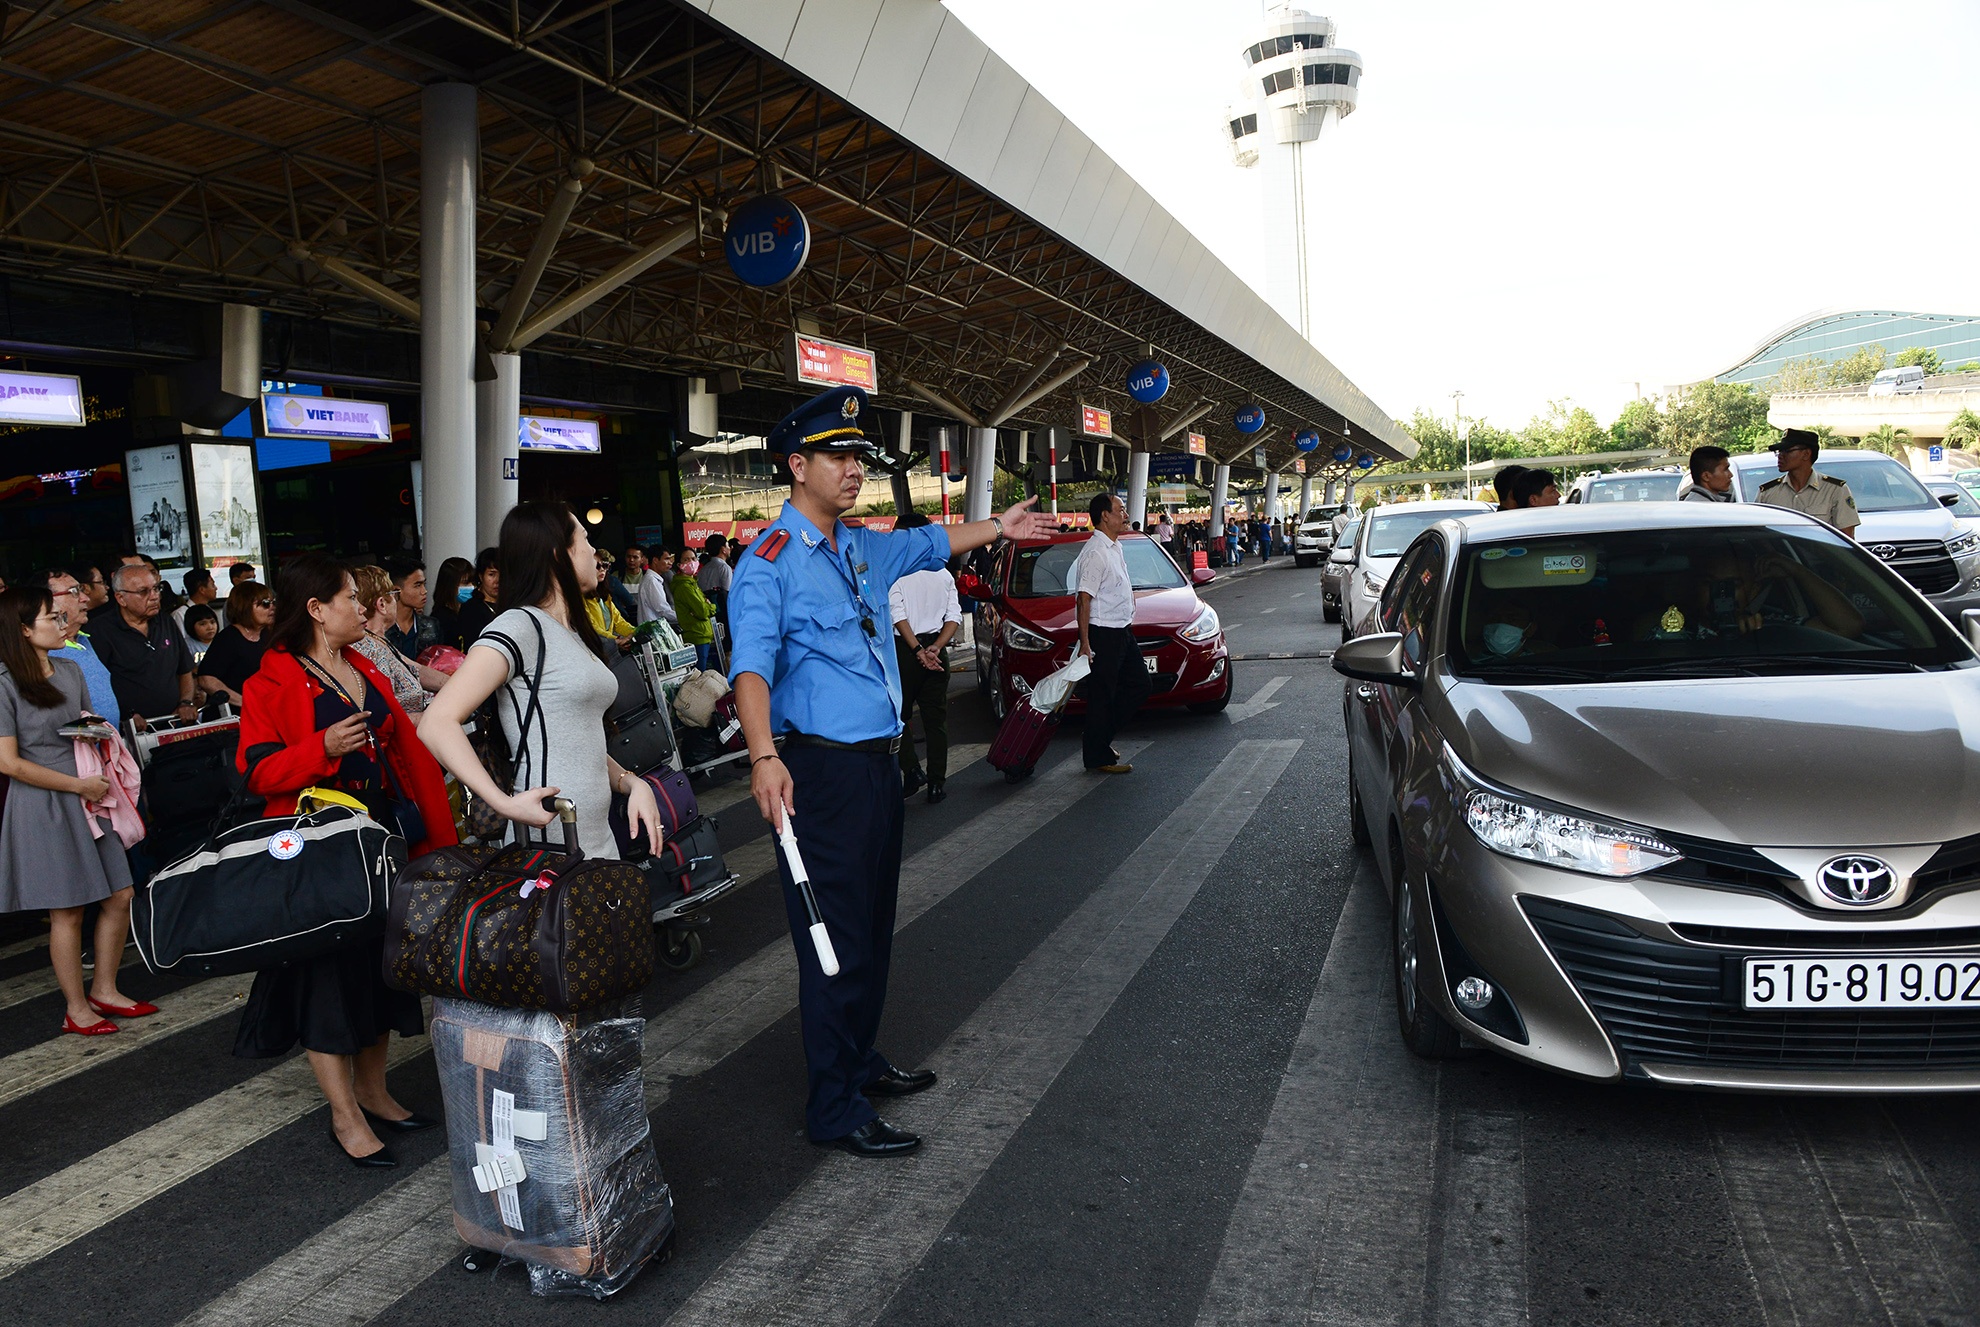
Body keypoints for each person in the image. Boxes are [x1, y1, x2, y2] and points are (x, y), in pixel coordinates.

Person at [729, 384, 1055, 1159]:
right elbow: (750, 670)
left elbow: (936, 544)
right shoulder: (767, 564)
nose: (854, 469)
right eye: (839, 456)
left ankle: (859, 1060)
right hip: (820, 771)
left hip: (878, 769)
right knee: (833, 942)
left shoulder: (859, 546)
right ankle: (834, 1105)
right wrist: (763, 757)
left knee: (872, 928)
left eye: (859, 457)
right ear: (796, 464)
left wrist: (998, 525)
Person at [233, 555, 455, 1166]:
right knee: (326, 979)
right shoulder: (269, 681)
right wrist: (320, 748)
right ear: (316, 609)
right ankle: (344, 1113)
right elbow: (255, 772)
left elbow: (401, 747)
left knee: (382, 967)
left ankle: (375, 1091)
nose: (363, 607)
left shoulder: (361, 663)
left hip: (379, 835)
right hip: (319, 848)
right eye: (351, 598)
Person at [417, 501, 663, 868]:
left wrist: (630, 782)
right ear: (556, 553)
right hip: (551, 838)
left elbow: (577, 737)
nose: (594, 551)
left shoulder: (571, 630)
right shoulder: (518, 627)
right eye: (583, 538)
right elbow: (436, 723)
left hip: (594, 832)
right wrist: (503, 803)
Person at [0, 586, 153, 1037]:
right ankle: (76, 1007)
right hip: (44, 801)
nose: (62, 624)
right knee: (67, 911)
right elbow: (8, 763)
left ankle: (104, 988)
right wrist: (78, 784)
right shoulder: (5, 684)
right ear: (24, 630)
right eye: (52, 618)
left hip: (89, 792)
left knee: (120, 894)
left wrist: (94, 737)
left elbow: (79, 724)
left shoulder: (69, 669)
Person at [888, 513, 962, 804]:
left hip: (905, 651)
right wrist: (935, 648)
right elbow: (953, 616)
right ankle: (936, 784)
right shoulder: (942, 573)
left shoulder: (896, 572)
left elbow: (897, 615)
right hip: (936, 650)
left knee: (899, 717)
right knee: (936, 722)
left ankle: (912, 770)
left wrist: (917, 651)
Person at [1075, 492, 1150, 774]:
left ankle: (1098, 737)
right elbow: (1084, 599)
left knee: (1140, 685)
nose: (1126, 514)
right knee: (1102, 696)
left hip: (1122, 630)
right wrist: (1085, 643)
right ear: (1104, 515)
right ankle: (1096, 754)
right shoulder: (1095, 552)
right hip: (1103, 633)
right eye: (1120, 509)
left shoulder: (1114, 547)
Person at [90, 562, 197, 729]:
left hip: (174, 723)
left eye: (156, 588)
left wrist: (186, 702)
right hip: (131, 731)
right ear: (121, 598)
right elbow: (97, 685)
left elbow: (184, 669)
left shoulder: (166, 621)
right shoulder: (99, 631)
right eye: (143, 592)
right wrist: (126, 714)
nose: (154, 596)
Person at [37, 569, 121, 731]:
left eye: (81, 591)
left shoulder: (84, 640)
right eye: (74, 592)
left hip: (105, 750)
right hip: (75, 752)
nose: (85, 598)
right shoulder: (45, 652)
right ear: (47, 602)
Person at [350, 565, 432, 723]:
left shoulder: (379, 641)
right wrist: (432, 719)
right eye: (394, 595)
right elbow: (383, 713)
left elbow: (416, 668)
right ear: (381, 604)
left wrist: (458, 685)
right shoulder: (369, 649)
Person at [1757, 428, 1858, 538]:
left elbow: (1846, 539)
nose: (1781, 455)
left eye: (1787, 451)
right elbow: (1758, 536)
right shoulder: (1767, 493)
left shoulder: (1835, 490)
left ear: (1806, 454)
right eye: (1779, 451)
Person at [197, 580, 273, 709]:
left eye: (273, 602)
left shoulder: (270, 635)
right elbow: (207, 679)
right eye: (265, 603)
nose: (272, 607)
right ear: (246, 606)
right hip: (234, 716)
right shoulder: (228, 638)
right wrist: (245, 702)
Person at [381, 557, 439, 661]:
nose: (424, 591)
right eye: (417, 585)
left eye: (424, 584)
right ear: (396, 590)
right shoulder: (381, 629)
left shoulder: (431, 625)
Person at [672, 550, 716, 667]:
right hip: (696, 636)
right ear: (679, 565)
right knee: (699, 678)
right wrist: (712, 606)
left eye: (693, 559)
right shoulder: (685, 587)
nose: (691, 562)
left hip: (701, 634)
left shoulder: (692, 583)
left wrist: (706, 606)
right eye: (686, 559)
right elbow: (702, 611)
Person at [584, 550, 637, 646]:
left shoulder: (605, 595)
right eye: (597, 566)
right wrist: (617, 639)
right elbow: (593, 628)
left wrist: (636, 632)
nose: (602, 569)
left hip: (609, 646)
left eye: (605, 566)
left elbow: (619, 622)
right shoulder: (581, 597)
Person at [456, 547, 500, 646]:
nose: (497, 581)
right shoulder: (471, 609)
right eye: (491, 574)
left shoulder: (512, 606)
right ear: (481, 576)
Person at [430, 555, 474, 649]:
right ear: (449, 585)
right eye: (465, 583)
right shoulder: (441, 619)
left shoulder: (470, 612)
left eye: (473, 582)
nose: (471, 587)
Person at [636, 545, 677, 626]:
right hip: (653, 630)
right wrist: (684, 617)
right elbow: (663, 610)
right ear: (655, 560)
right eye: (666, 559)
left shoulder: (652, 579)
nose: (670, 563)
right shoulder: (652, 581)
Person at [172, 568, 221, 634]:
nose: (216, 588)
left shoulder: (209, 611)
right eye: (212, 585)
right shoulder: (180, 615)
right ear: (202, 590)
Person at [184, 604, 219, 668]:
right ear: (191, 626)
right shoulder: (187, 646)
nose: (210, 627)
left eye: (212, 622)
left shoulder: (223, 641)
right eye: (202, 624)